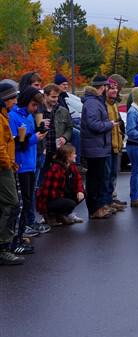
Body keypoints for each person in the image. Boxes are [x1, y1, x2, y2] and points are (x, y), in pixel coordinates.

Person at [9, 87, 47, 243]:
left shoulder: (30, 116)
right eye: (33, 105)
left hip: (31, 163)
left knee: (29, 199)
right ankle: (18, 234)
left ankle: (23, 231)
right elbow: (14, 143)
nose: (35, 108)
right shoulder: (13, 116)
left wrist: (40, 130)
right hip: (21, 165)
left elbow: (31, 135)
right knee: (22, 201)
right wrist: (34, 139)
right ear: (26, 102)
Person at [81, 75, 116, 219]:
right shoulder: (92, 103)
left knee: (99, 178)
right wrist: (110, 124)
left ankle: (99, 207)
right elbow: (93, 124)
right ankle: (95, 209)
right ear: (103, 87)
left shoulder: (96, 101)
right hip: (95, 148)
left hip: (99, 147)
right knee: (95, 180)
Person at [0, 80, 23, 265]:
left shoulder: (4, 115)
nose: (15, 101)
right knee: (11, 204)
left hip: (7, 166)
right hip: (3, 168)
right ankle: (4, 247)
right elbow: (0, 146)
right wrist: (9, 163)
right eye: (12, 98)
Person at [36, 143, 85, 225]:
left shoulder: (71, 166)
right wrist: (64, 198)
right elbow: (48, 194)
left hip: (61, 195)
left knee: (83, 193)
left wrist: (80, 191)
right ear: (67, 157)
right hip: (51, 200)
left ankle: (62, 215)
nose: (75, 156)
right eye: (73, 154)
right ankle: (50, 215)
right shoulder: (56, 169)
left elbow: (78, 179)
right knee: (69, 203)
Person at [104, 78, 127, 211]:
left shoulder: (114, 104)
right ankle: (106, 201)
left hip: (117, 143)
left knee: (113, 174)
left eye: (115, 88)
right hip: (108, 145)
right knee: (107, 175)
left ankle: (111, 199)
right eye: (111, 88)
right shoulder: (104, 104)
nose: (114, 90)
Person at [42, 83, 73, 172]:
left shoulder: (63, 111)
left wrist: (65, 137)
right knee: (42, 180)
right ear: (45, 95)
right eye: (53, 97)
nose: (56, 99)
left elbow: (70, 127)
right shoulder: (38, 111)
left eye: (57, 97)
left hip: (58, 150)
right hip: (43, 150)